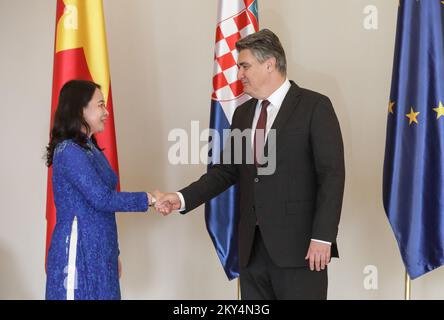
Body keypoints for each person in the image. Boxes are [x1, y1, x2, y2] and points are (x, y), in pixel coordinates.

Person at [155, 29, 345, 299]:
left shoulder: (315, 106)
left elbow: (332, 176)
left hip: (301, 250)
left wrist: (323, 237)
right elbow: (225, 171)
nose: (239, 74)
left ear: (270, 64)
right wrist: (180, 198)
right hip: (252, 252)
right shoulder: (244, 114)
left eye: (244, 66)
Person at [45, 79, 154, 300]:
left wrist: (114, 252)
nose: (106, 111)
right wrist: (149, 199)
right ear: (79, 110)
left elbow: (102, 207)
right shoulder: (69, 151)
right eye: (100, 105)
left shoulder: (90, 147)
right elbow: (102, 199)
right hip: (79, 250)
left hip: (101, 249)